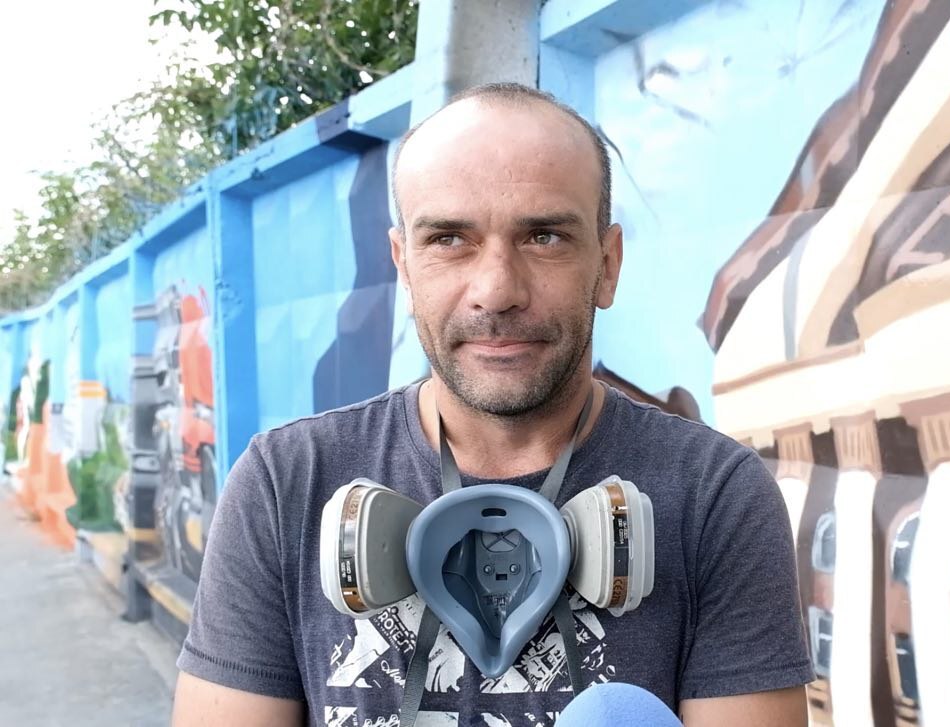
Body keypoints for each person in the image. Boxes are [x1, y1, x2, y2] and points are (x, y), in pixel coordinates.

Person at [171, 82, 812, 727]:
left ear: (608, 266)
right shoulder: (286, 485)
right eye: (449, 239)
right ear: (404, 267)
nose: (497, 290)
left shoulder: (716, 497)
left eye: (545, 237)